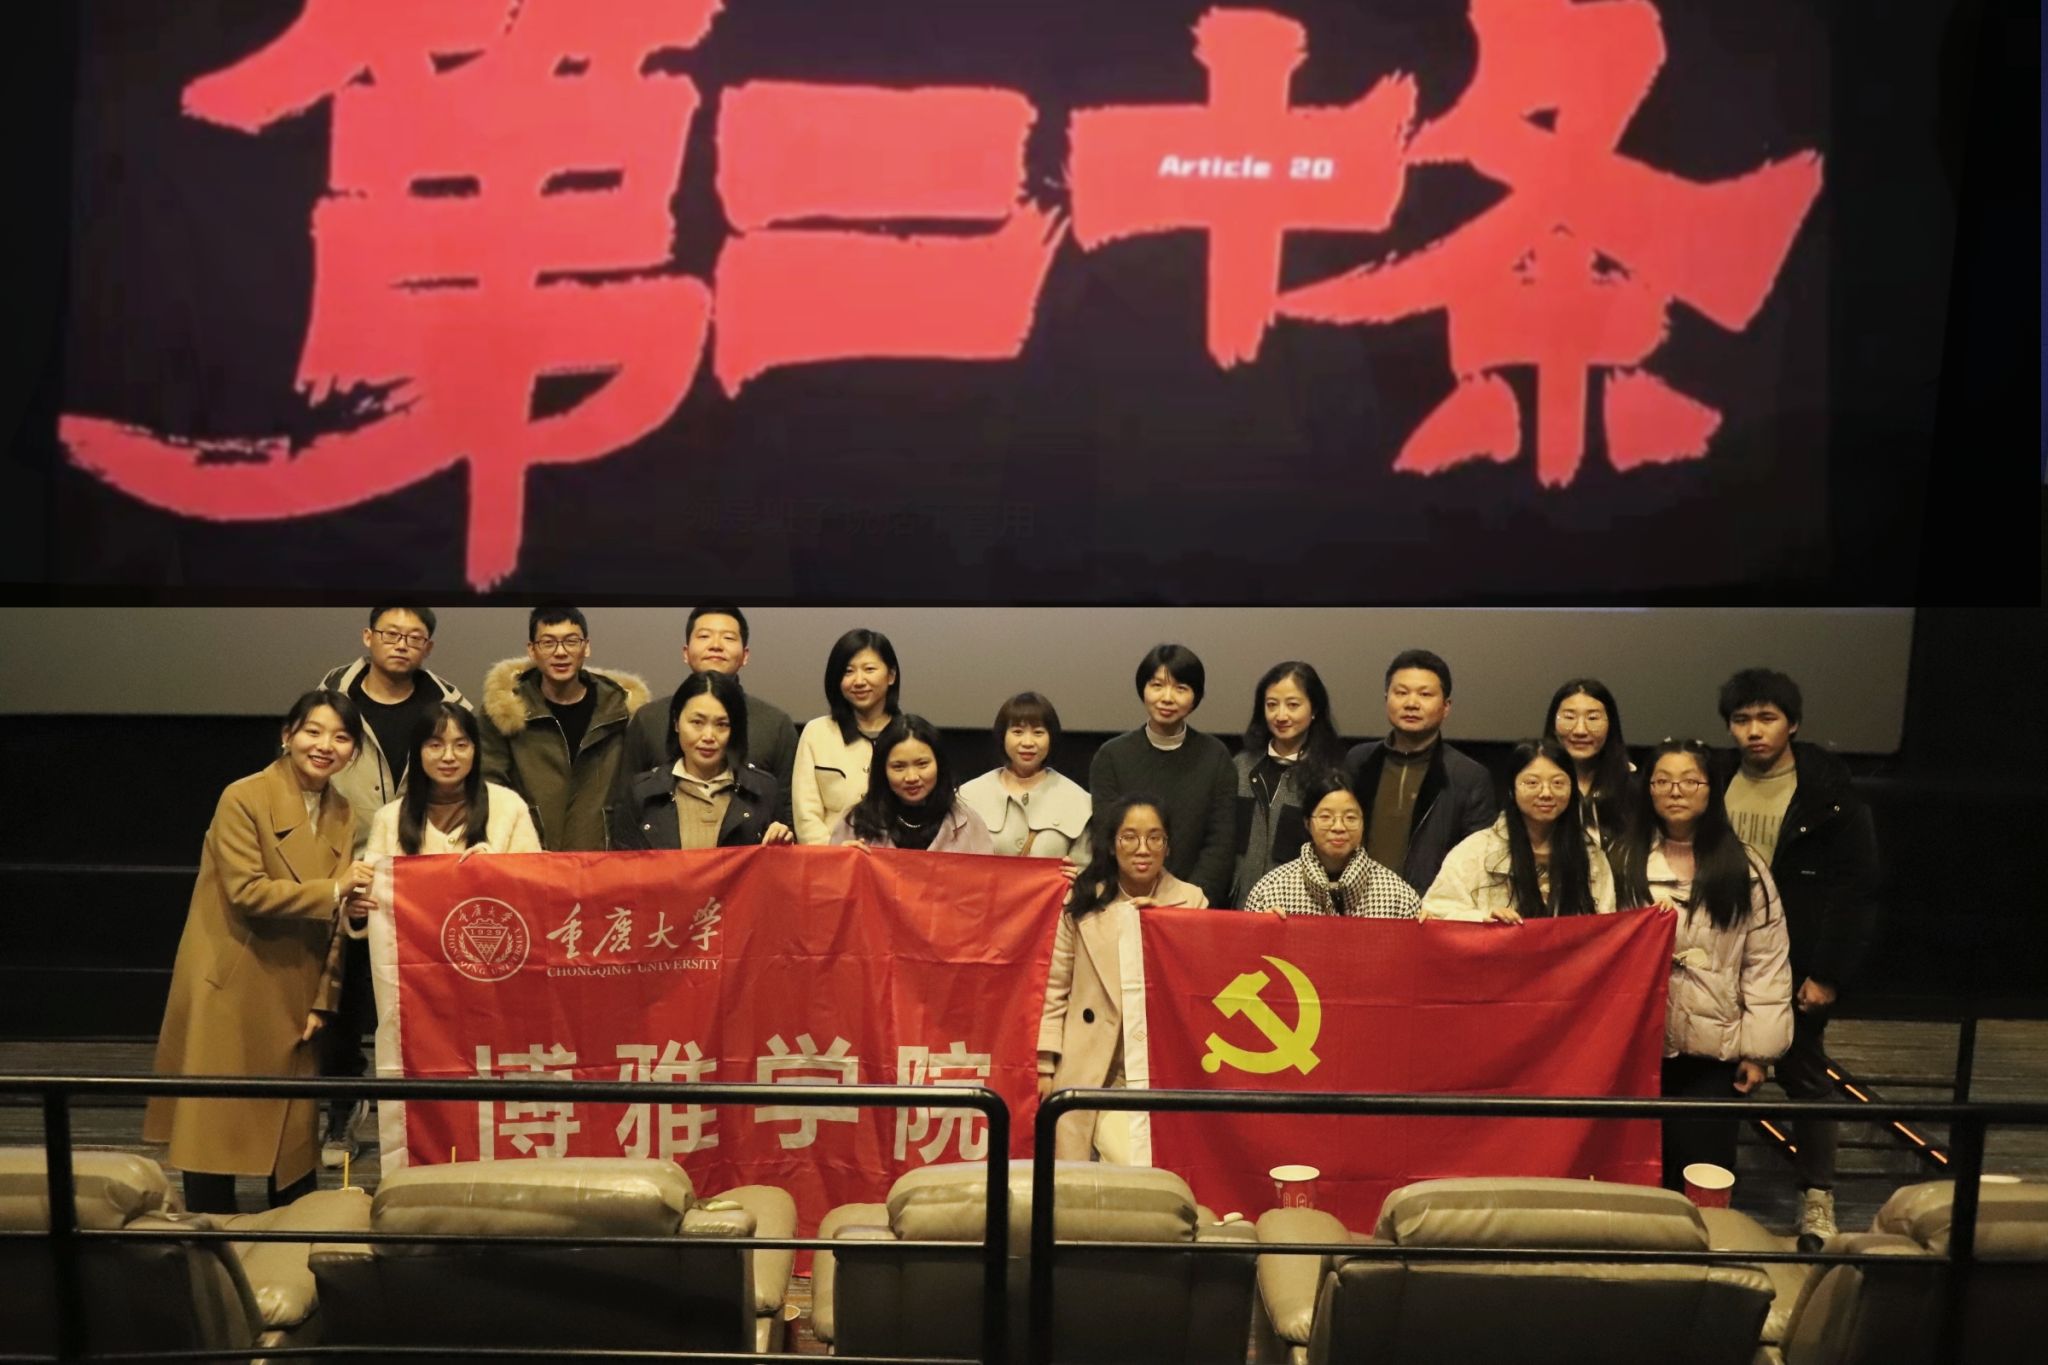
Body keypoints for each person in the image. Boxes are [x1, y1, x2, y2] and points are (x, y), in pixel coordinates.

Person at [145, 690, 378, 1213]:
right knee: (213, 1128)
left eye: (341, 737)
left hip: (298, 984)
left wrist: (324, 999)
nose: (325, 746)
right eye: (313, 731)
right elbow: (246, 891)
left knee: (292, 1138)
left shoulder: (343, 811)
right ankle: (212, 1239)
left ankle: (290, 1238)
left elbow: (335, 917)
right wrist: (336, 890)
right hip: (230, 979)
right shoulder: (244, 796)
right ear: (287, 735)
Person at [1715, 668, 1882, 1249]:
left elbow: (1858, 891)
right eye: (1742, 720)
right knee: (1717, 1077)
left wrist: (1828, 974)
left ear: (1793, 724)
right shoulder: (1714, 779)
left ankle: (1818, 1195)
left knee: (1805, 1074)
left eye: (1767, 718)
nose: (1754, 731)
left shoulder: (1828, 793)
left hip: (1797, 959)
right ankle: (1712, 1195)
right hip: (1721, 955)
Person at [313, 603, 468, 1161]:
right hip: (344, 867)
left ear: (428, 647)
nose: (401, 644)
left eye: (414, 637)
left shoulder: (448, 703)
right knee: (342, 1002)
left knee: (416, 1009)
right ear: (368, 637)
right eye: (391, 633)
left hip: (425, 881)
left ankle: (426, 1120)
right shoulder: (334, 696)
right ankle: (341, 1113)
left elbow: (468, 776)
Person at [1611, 740, 1793, 1191]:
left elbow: (1765, 962)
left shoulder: (1744, 867)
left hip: (1714, 1047)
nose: (1676, 791)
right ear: (1647, 789)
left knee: (1702, 1171)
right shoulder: (1620, 860)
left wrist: (1759, 1051)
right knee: (1635, 1172)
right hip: (1635, 1044)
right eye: (1663, 781)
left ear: (1712, 788)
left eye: (1690, 781)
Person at [1038, 796, 1208, 1161]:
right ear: (1113, 845)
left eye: (1154, 838)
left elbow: (1205, 982)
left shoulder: (1192, 901)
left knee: (1144, 1167)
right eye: (1129, 837)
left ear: (1168, 846)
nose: (1142, 849)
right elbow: (1055, 988)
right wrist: (1045, 1065)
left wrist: (1164, 925)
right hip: (1093, 1066)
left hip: (1159, 1067)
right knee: (1087, 1172)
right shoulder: (1082, 899)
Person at [480, 604, 649, 851]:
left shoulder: (620, 710)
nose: (561, 652)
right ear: (532, 650)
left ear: (586, 647)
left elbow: (638, 788)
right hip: (528, 853)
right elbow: (491, 787)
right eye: (548, 643)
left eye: (571, 641)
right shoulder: (506, 710)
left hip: (604, 857)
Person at [617, 605, 801, 827]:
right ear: (686, 653)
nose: (716, 645)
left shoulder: (775, 723)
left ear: (745, 656)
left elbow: (788, 809)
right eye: (704, 636)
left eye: (728, 638)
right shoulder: (649, 718)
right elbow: (624, 800)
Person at [1088, 644, 1235, 906]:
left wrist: (1187, 902)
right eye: (1157, 685)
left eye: (1180, 688)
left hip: (1194, 906)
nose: (1167, 698)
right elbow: (1107, 836)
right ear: (1143, 689)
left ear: (1195, 696)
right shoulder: (1111, 756)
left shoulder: (1216, 756)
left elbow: (1220, 844)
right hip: (1124, 902)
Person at [1342, 649, 1496, 897]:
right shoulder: (1359, 760)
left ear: (1446, 707)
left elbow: (1478, 861)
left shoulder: (1469, 776)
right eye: (1401, 693)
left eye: (1425, 694)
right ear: (1387, 699)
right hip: (1355, 903)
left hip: (1429, 908)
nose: (1411, 703)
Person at [1421, 737, 1617, 922]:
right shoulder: (1475, 851)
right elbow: (1435, 912)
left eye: (1558, 783)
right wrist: (1482, 918)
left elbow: (1606, 928)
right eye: (1532, 783)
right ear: (1511, 789)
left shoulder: (1590, 856)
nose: (1546, 793)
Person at [611, 671, 796, 849]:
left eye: (722, 724)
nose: (708, 736)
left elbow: (779, 867)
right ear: (676, 723)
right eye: (697, 722)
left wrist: (782, 846)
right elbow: (624, 865)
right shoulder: (641, 793)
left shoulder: (763, 790)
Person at [361, 703, 540, 863]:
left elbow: (532, 879)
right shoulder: (388, 818)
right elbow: (375, 885)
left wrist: (494, 868)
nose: (448, 757)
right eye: (435, 745)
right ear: (418, 752)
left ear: (475, 750)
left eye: (461, 745)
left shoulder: (509, 806)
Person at [1231, 661, 1347, 907]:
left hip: (1297, 908)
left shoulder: (1330, 776)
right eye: (1272, 705)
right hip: (1237, 906)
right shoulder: (1240, 766)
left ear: (1314, 709)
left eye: (1293, 705)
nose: (1281, 715)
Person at [1244, 771, 1420, 918]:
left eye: (1350, 817)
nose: (1338, 827)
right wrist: (1264, 933)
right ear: (1307, 823)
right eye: (1326, 817)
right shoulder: (1270, 892)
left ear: (1364, 822)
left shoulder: (1399, 899)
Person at [958, 692, 1092, 872]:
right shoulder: (968, 796)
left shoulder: (1078, 800)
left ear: (1051, 738)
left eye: (1038, 733)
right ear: (1002, 736)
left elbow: (1086, 868)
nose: (1028, 742)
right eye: (1017, 732)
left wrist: (1077, 877)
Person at [793, 629, 901, 845]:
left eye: (869, 669)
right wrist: (836, 852)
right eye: (848, 671)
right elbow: (806, 816)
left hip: (894, 859)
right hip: (832, 858)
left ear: (891, 675)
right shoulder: (817, 733)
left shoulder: (908, 735)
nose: (859, 681)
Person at [829, 714, 993, 852]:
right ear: (882, 770)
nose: (911, 777)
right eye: (898, 767)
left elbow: (986, 877)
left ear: (939, 764)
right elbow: (831, 878)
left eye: (922, 764)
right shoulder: (856, 822)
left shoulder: (968, 823)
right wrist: (842, 860)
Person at [1542, 678, 1633, 849]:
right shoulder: (1535, 785)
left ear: (1611, 725)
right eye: (1569, 717)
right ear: (1553, 725)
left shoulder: (1632, 786)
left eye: (1593, 718)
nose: (1580, 730)